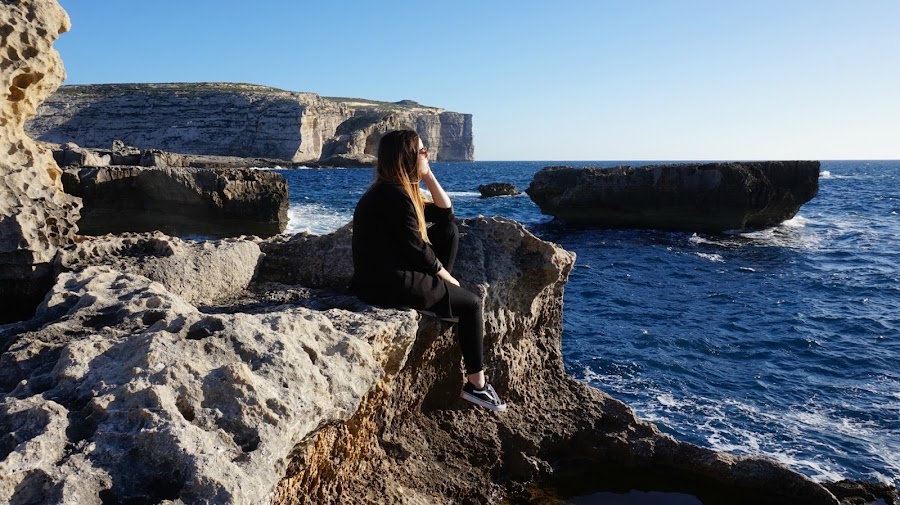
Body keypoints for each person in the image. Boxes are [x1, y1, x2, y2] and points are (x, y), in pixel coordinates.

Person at [350, 129, 507, 412]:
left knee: (448, 231)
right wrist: (448, 278)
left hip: (383, 276)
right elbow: (418, 251)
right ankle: (477, 386)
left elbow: (445, 215)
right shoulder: (395, 197)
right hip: (387, 284)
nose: (427, 154)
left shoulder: (395, 191)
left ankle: (440, 300)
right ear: (408, 157)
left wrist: (428, 176)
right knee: (472, 304)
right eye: (423, 151)